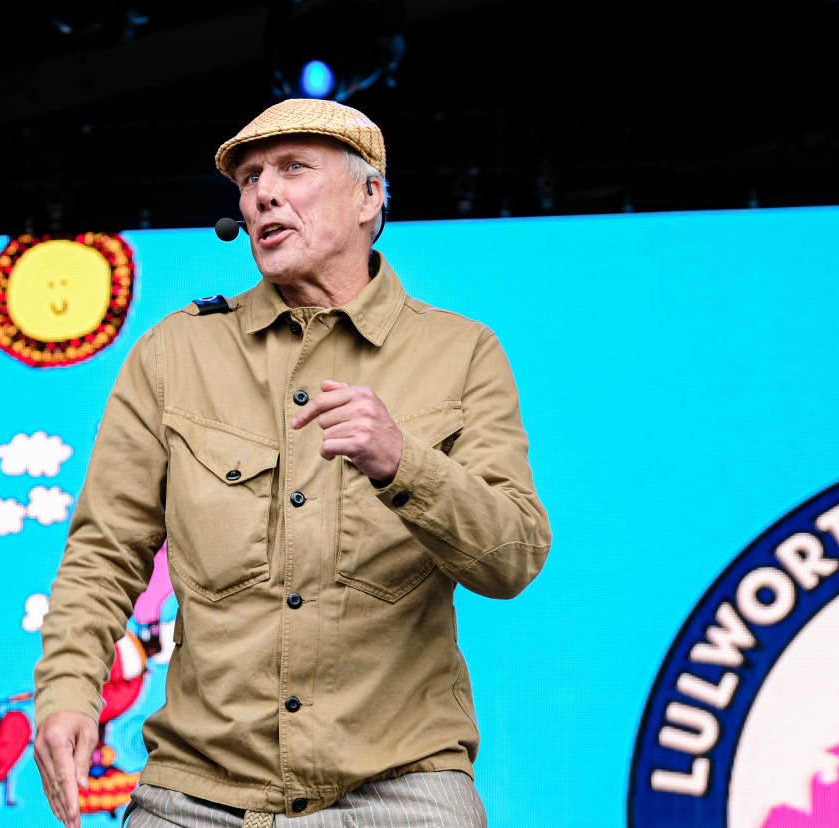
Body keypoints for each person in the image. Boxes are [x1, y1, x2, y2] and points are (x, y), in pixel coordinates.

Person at [33, 98, 551, 827]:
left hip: (401, 789)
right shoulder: (173, 353)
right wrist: (65, 691)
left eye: (293, 169)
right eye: (248, 180)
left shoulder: (463, 353)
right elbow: (103, 551)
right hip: (198, 792)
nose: (262, 193)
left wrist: (403, 462)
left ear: (371, 195)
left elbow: (514, 556)